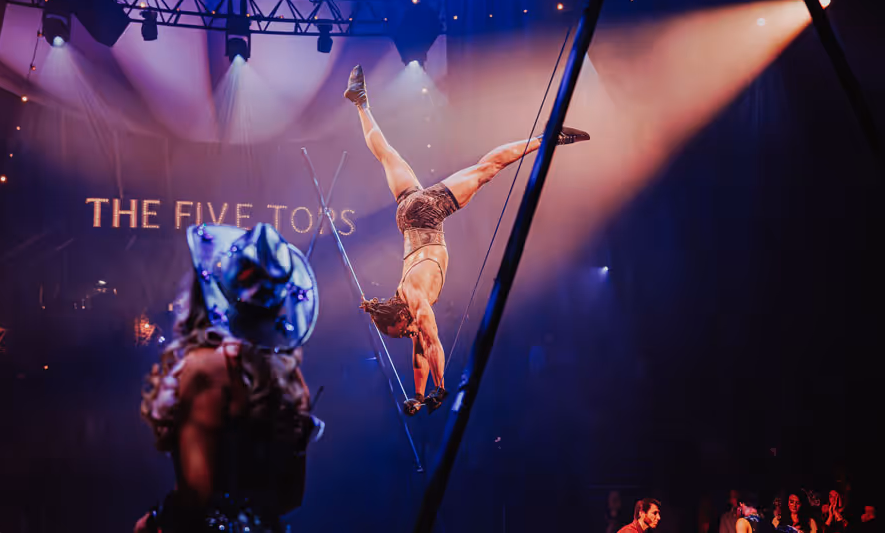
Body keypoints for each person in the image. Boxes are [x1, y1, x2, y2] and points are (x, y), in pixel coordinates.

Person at [344, 64, 591, 415]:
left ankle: (547, 138)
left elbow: (431, 343)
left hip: (427, 214)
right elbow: (419, 356)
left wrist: (441, 389)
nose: (407, 334)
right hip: (407, 214)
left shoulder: (416, 301)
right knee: (386, 154)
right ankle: (360, 103)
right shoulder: (406, 303)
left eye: (401, 331)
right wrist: (418, 396)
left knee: (486, 168)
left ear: (401, 318)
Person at [136, 222, 325, 533]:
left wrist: (154, 523)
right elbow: (291, 497)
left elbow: (196, 496)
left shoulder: (206, 369)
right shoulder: (292, 381)